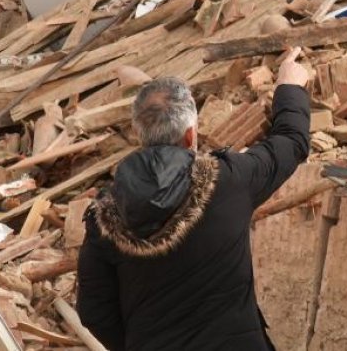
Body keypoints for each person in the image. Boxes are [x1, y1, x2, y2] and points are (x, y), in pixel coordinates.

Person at [76, 48, 310, 351]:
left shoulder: (104, 219)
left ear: (139, 134)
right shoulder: (228, 180)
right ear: (190, 136)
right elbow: (291, 142)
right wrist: (289, 85)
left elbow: (95, 313)